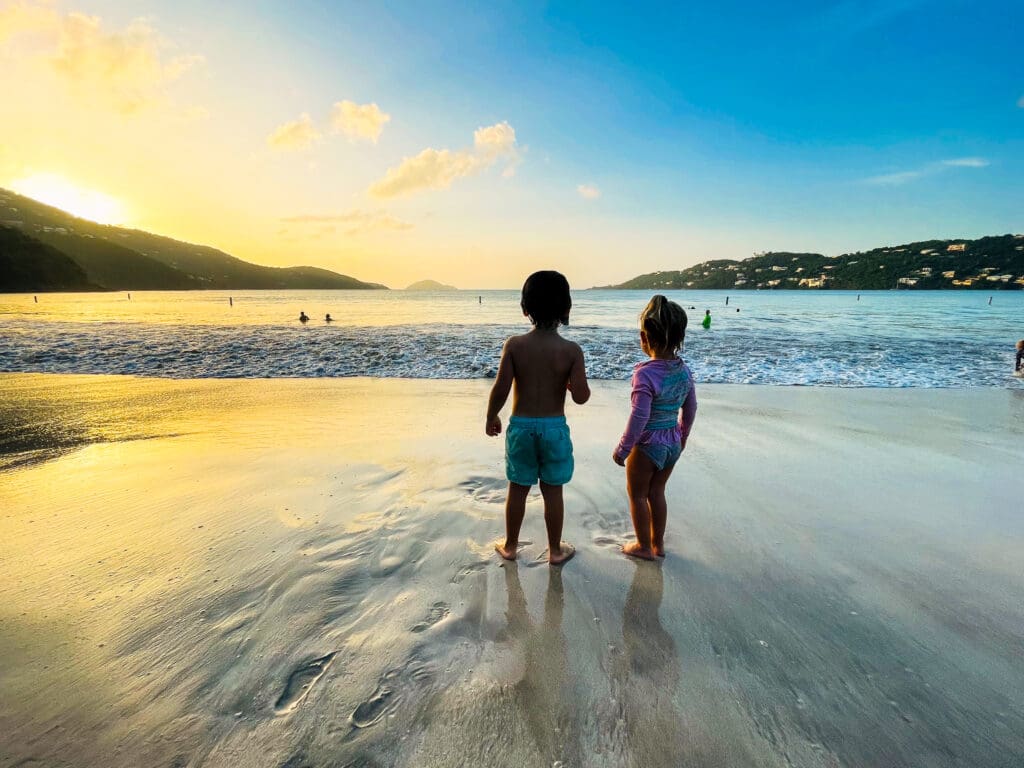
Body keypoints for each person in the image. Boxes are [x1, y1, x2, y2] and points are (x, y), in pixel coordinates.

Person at [486, 270, 590, 565]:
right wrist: (571, 384)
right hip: (554, 430)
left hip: (521, 428)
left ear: (525, 308)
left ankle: (510, 546)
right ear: (566, 309)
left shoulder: (515, 345)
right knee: (552, 490)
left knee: (517, 489)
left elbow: (501, 388)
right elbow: (581, 396)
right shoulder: (571, 351)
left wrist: (491, 415)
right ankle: (555, 551)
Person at [613, 295, 697, 560]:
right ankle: (658, 544)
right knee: (657, 491)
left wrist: (623, 448)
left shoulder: (645, 373)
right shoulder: (684, 370)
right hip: (672, 440)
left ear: (644, 337)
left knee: (637, 495)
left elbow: (640, 415)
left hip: (649, 443)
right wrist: (682, 437)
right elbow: (691, 407)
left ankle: (643, 546)